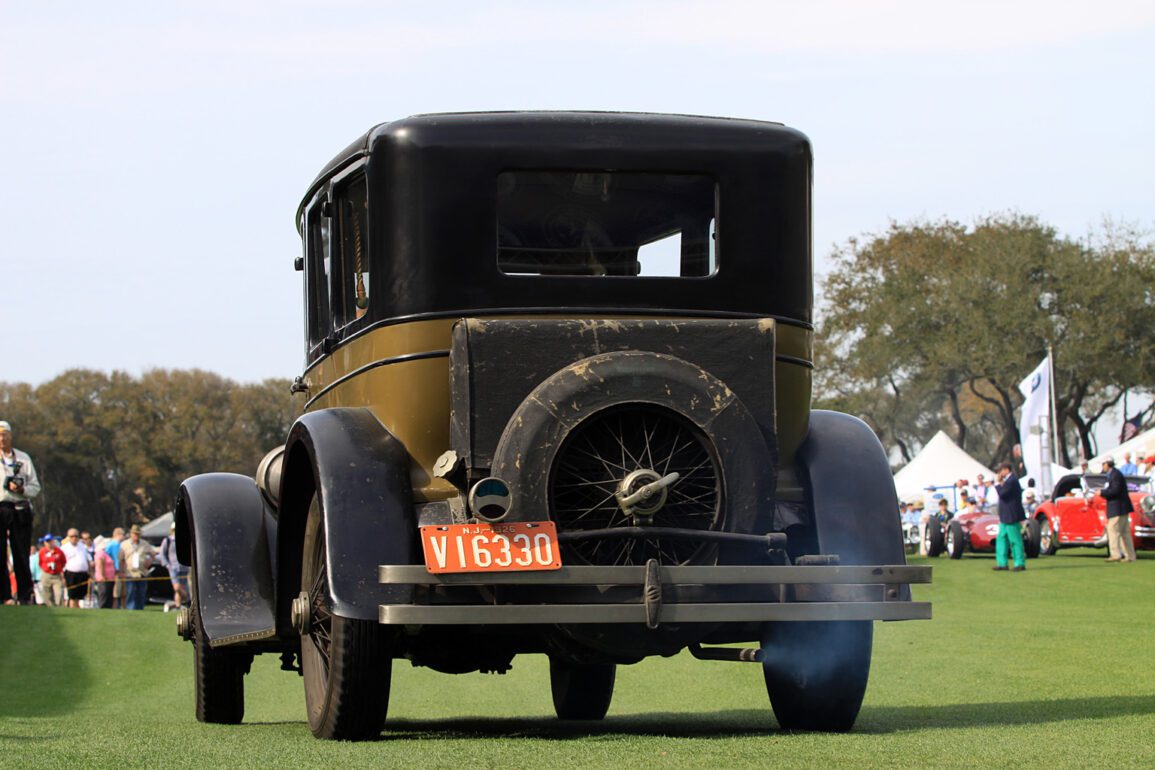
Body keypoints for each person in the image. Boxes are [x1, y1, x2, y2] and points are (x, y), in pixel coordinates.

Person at [0, 421, 42, 605]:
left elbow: (35, 487)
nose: (2, 438)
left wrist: (22, 489)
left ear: (11, 435)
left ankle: (25, 596)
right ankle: (4, 596)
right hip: (1, 507)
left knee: (21, 553)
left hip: (20, 507)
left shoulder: (23, 458)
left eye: (5, 434)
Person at [1101, 456, 1137, 563]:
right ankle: (1130, 556)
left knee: (1113, 530)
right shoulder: (1115, 474)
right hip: (1122, 508)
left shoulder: (1115, 475)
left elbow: (1114, 491)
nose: (1102, 466)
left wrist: (1102, 493)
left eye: (1103, 464)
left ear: (1107, 464)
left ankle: (1115, 554)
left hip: (1117, 508)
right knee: (1124, 533)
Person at [993, 462, 1027, 571]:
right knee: (1001, 539)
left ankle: (1019, 563)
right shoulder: (1009, 481)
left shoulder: (1012, 480)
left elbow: (1003, 493)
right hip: (1005, 516)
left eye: (1001, 470)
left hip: (1011, 515)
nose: (1000, 473)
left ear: (1007, 470)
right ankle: (1002, 563)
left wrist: (997, 484)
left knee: (1015, 540)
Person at [119, 524, 156, 610]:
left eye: (138, 534)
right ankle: (130, 610)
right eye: (134, 533)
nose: (136, 535)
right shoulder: (124, 544)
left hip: (141, 572)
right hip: (129, 573)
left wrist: (149, 562)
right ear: (131, 534)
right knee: (130, 592)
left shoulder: (145, 544)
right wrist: (121, 571)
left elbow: (153, 554)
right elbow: (121, 559)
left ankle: (140, 609)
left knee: (141, 593)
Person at [158, 523, 189, 613]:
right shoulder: (167, 540)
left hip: (184, 568)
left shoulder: (184, 540)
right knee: (177, 587)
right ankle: (188, 598)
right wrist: (167, 565)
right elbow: (162, 554)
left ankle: (178, 605)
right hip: (173, 568)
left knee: (182, 588)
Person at [60, 528, 92, 608]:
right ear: (68, 537)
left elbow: (88, 560)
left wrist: (90, 571)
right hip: (71, 574)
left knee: (81, 596)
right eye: (72, 536)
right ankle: (73, 609)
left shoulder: (82, 546)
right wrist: (62, 576)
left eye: (76, 536)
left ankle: (79, 611)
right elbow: (61, 563)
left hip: (83, 574)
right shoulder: (64, 548)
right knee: (72, 596)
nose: (74, 538)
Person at [38, 534, 67, 606]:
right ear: (45, 543)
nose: (49, 543)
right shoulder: (42, 551)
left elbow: (63, 561)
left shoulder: (59, 551)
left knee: (59, 593)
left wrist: (59, 569)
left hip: (56, 575)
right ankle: (50, 607)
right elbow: (40, 562)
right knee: (47, 594)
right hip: (46, 574)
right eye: (47, 541)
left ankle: (59, 607)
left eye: (50, 541)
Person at [91, 535, 117, 609]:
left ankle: (108, 609)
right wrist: (102, 575)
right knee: (104, 596)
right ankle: (103, 608)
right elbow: (100, 564)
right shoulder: (100, 553)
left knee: (109, 596)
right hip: (104, 579)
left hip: (110, 578)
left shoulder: (104, 553)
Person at [105, 527, 126, 608]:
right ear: (118, 535)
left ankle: (124, 608)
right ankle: (115, 608)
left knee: (124, 592)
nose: (124, 537)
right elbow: (106, 556)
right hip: (115, 571)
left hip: (122, 571)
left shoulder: (121, 545)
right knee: (116, 592)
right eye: (122, 535)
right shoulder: (111, 545)